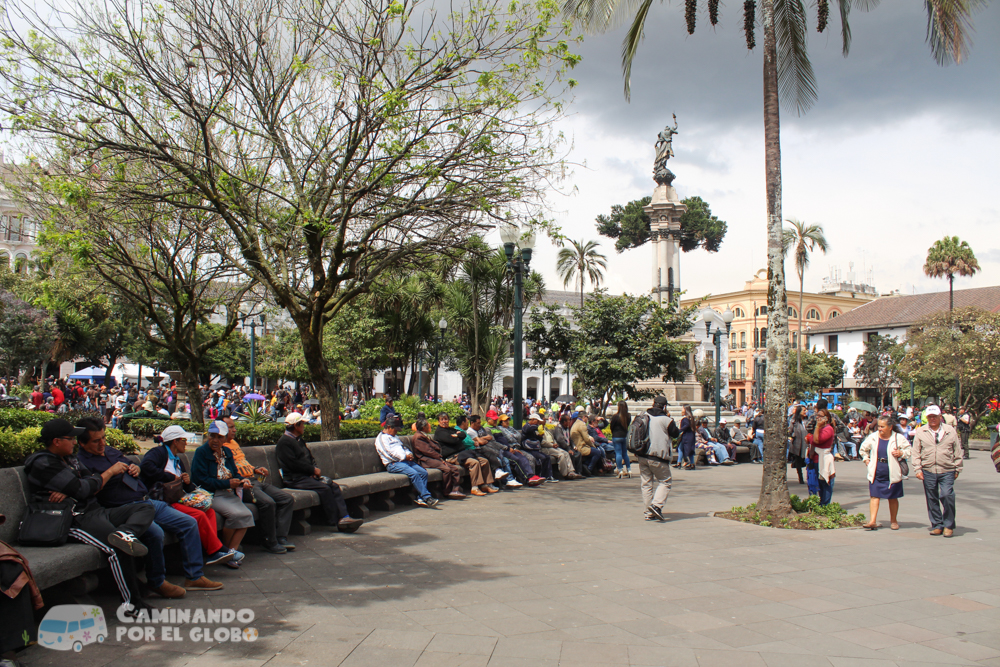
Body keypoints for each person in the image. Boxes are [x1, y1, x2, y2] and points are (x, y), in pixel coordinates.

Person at [24, 418, 155, 613]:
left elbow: (90, 485)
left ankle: (125, 532)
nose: (75, 443)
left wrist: (73, 489)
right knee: (117, 550)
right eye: (71, 439)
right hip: (74, 519)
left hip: (95, 510)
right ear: (57, 441)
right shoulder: (43, 462)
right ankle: (132, 605)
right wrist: (84, 485)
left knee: (144, 508)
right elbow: (84, 487)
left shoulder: (70, 458)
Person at [140, 425, 237, 568]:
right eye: (184, 440)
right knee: (198, 515)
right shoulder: (159, 453)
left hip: (178, 498)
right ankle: (217, 550)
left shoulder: (177, 460)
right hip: (163, 501)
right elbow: (146, 466)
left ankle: (209, 548)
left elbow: (188, 487)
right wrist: (171, 477)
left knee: (209, 511)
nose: (186, 443)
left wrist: (186, 482)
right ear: (175, 441)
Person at [275, 413, 365, 531]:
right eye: (302, 424)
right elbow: (293, 464)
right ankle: (336, 520)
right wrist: (312, 470)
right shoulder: (284, 443)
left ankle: (344, 516)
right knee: (324, 488)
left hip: (306, 476)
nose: (304, 426)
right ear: (296, 426)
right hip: (294, 478)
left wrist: (314, 469)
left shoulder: (299, 440)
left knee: (333, 486)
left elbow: (309, 457)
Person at [220, 416, 296, 553]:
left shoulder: (234, 443)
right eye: (230, 427)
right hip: (244, 484)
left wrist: (255, 469)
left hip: (255, 479)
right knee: (268, 503)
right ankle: (269, 541)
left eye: (234, 426)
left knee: (287, 499)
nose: (234, 430)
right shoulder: (221, 448)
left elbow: (242, 463)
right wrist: (241, 482)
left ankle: (281, 537)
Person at [190, 421, 258, 567]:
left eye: (219, 437)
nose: (215, 440)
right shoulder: (201, 453)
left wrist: (242, 481)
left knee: (247, 514)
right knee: (236, 515)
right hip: (211, 494)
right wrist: (228, 484)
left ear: (225, 438)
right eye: (212, 436)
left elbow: (234, 473)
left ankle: (229, 551)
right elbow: (201, 480)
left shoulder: (226, 452)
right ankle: (226, 551)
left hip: (227, 493)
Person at [911, 405, 963, 537]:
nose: (932, 419)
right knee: (931, 498)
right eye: (930, 417)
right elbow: (916, 452)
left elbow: (957, 450)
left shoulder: (949, 430)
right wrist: (917, 469)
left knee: (947, 495)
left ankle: (949, 525)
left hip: (947, 469)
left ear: (940, 416)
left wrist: (958, 467)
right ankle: (937, 524)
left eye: (935, 416)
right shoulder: (921, 431)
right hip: (928, 469)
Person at [859, 415, 910, 531]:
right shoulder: (873, 437)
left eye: (882, 427)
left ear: (890, 427)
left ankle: (894, 521)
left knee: (892, 497)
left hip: (892, 471)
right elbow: (863, 449)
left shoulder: (898, 438)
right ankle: (872, 521)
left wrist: (901, 453)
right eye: (879, 426)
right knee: (874, 496)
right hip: (877, 471)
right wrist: (866, 459)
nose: (880, 429)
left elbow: (909, 450)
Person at [376, 414, 439, 507]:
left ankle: (420, 498)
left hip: (405, 461)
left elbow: (402, 447)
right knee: (414, 474)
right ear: (389, 427)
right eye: (395, 429)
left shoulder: (394, 437)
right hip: (393, 464)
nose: (396, 432)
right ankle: (427, 497)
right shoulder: (381, 438)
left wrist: (408, 454)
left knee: (423, 472)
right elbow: (387, 453)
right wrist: (404, 457)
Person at [433, 413, 497, 495]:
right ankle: (475, 487)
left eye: (446, 419)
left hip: (462, 454)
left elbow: (463, 434)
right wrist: (457, 437)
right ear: (439, 422)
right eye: (442, 419)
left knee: (484, 461)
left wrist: (456, 436)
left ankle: (485, 485)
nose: (444, 421)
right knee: (474, 463)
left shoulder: (451, 430)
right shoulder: (439, 432)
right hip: (452, 457)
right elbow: (452, 441)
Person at [637, 396, 674, 521]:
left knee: (646, 484)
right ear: (664, 406)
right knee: (665, 481)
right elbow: (676, 433)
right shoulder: (666, 420)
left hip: (642, 454)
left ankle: (648, 513)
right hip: (658, 456)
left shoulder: (642, 415)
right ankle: (656, 505)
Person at [411, 417, 465, 499]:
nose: (430, 426)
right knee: (447, 470)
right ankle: (446, 491)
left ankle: (455, 489)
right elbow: (428, 451)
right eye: (428, 425)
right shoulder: (418, 437)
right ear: (423, 427)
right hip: (426, 460)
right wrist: (439, 458)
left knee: (454, 468)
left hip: (434, 458)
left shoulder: (424, 435)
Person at [807, 408, 836, 506]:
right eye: (817, 415)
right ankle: (821, 502)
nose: (818, 417)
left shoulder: (828, 429)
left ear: (826, 418)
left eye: (820, 416)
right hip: (815, 458)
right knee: (818, 483)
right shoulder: (819, 428)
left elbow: (816, 440)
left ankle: (825, 504)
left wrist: (817, 427)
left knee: (825, 482)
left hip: (823, 458)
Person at [519, 413, 554, 482]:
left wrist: (540, 436)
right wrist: (539, 427)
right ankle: (541, 475)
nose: (538, 423)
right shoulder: (527, 426)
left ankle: (548, 476)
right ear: (532, 420)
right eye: (537, 421)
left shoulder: (533, 429)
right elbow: (528, 430)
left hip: (535, 448)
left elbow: (537, 439)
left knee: (547, 457)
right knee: (542, 458)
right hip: (528, 449)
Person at [788, 406, 808, 485]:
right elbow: (790, 431)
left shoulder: (807, 421)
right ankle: (801, 478)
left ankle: (809, 477)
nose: (805, 412)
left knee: (807, 461)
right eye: (803, 410)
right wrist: (793, 435)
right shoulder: (794, 421)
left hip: (806, 443)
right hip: (798, 443)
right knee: (798, 461)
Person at [676, 405, 696, 470]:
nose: (682, 409)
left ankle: (692, 464)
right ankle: (679, 463)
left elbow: (686, 425)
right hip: (689, 436)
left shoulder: (686, 418)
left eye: (682, 408)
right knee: (680, 448)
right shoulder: (691, 418)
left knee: (688, 450)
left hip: (687, 436)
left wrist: (680, 430)